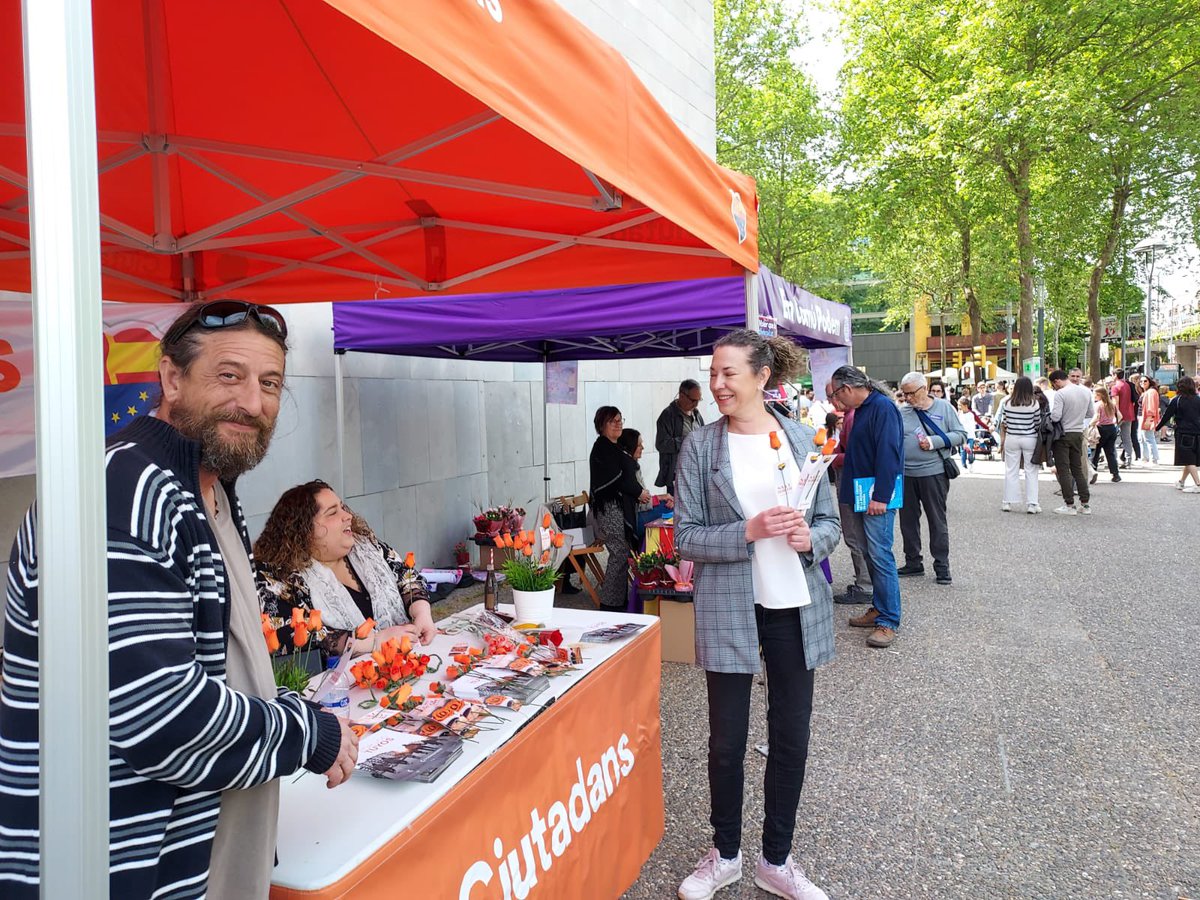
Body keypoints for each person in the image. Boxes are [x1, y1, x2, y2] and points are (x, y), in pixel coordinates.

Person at [0, 302, 355, 900]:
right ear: (170, 379)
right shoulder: (122, 491)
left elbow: (211, 665)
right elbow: (159, 717)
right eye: (228, 375)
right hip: (114, 871)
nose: (252, 401)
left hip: (188, 854)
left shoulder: (208, 490)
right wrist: (306, 734)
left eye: (269, 384)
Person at [675, 329, 839, 900]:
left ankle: (777, 858)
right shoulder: (701, 446)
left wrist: (806, 540)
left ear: (762, 376)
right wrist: (749, 530)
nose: (717, 384)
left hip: (794, 606)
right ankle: (724, 854)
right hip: (729, 607)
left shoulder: (800, 439)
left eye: (729, 374)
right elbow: (686, 538)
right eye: (714, 373)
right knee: (726, 742)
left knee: (791, 738)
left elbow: (830, 524)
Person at [254, 481, 437, 661]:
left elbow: (408, 577)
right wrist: (373, 642)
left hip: (407, 663)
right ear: (302, 530)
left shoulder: (366, 547)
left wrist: (422, 613)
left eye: (343, 507)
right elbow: (289, 635)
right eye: (333, 512)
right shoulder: (279, 578)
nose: (348, 515)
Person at [833, 366, 905, 648]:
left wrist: (882, 496)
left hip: (876, 496)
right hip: (862, 493)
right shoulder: (864, 408)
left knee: (880, 554)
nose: (837, 400)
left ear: (847, 389)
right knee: (869, 552)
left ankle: (888, 619)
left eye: (836, 393)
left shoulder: (882, 408)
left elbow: (890, 453)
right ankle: (879, 607)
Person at [895, 372, 966, 585]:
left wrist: (935, 441)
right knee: (907, 521)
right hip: (906, 474)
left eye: (911, 394)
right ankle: (913, 561)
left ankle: (942, 566)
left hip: (933, 473)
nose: (907, 398)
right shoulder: (902, 411)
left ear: (924, 389)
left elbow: (961, 435)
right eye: (904, 394)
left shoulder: (944, 407)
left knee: (937, 520)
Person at [591, 406, 649, 611]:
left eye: (619, 420)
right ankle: (610, 604)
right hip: (609, 510)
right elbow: (619, 480)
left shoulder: (614, 448)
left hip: (618, 509)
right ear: (601, 425)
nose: (618, 424)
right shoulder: (602, 449)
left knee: (622, 555)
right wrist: (638, 492)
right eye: (612, 421)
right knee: (619, 555)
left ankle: (616, 601)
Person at [827, 381, 874, 606]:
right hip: (855, 481)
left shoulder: (855, 416)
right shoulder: (853, 415)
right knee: (857, 535)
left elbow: (857, 454)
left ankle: (865, 585)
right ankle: (866, 581)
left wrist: (832, 458)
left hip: (854, 481)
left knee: (855, 534)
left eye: (833, 396)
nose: (832, 402)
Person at [1049, 369, 1094, 515]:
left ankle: (1069, 505)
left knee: (1063, 470)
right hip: (1078, 433)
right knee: (1078, 469)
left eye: (1054, 384)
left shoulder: (1060, 394)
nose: (1055, 387)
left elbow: (1055, 417)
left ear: (1056, 381)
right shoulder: (1086, 392)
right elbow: (1090, 413)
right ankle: (1085, 504)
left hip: (1063, 435)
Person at [998, 376, 1043, 513]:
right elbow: (1037, 423)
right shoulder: (1034, 404)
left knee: (1011, 470)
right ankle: (1032, 504)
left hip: (1012, 438)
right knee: (1031, 471)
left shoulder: (1008, 403)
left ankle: (1007, 502)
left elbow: (1004, 422)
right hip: (1030, 438)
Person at [618, 427, 673, 535]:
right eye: (639, 445)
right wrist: (661, 498)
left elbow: (643, 498)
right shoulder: (627, 468)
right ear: (630, 447)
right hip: (628, 520)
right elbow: (640, 503)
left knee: (671, 507)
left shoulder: (633, 465)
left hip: (634, 514)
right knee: (673, 512)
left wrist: (664, 498)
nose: (642, 448)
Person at [655, 379, 705, 496]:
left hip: (696, 474)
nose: (696, 404)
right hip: (677, 475)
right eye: (693, 400)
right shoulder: (668, 415)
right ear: (682, 396)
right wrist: (688, 440)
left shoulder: (696, 414)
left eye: (699, 400)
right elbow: (661, 444)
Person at [1156, 375, 1200, 492]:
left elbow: (1167, 416)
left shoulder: (1177, 400)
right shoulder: (1198, 399)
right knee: (1190, 458)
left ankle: (1198, 484)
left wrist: (1157, 427)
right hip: (1198, 432)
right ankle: (1181, 482)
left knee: (1189, 460)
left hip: (1183, 433)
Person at [1090, 387, 1122, 483]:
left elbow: (1096, 417)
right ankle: (1115, 474)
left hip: (1101, 429)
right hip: (1111, 428)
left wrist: (1090, 425)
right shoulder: (1112, 404)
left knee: (1095, 452)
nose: (1094, 396)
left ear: (1100, 395)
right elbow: (1120, 416)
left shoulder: (1098, 405)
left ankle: (1093, 473)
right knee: (1110, 452)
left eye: (1095, 394)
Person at [1111, 368, 1137, 467]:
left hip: (1119, 416)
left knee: (1111, 438)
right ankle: (1128, 460)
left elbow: (1115, 403)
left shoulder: (1115, 387)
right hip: (1129, 414)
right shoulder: (1127, 385)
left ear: (1115, 375)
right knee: (1127, 438)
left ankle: (1114, 460)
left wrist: (1115, 416)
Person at [1138, 376, 1161, 465]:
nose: (1142, 383)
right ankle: (1145, 458)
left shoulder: (1151, 392)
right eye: (1141, 381)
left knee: (1148, 438)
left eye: (1145, 381)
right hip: (1141, 417)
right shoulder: (1146, 392)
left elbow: (1151, 407)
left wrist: (1149, 419)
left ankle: (1154, 459)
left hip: (1146, 417)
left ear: (1149, 381)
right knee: (1142, 438)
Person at [956, 397, 977, 472]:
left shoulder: (970, 415)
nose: (958, 407)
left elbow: (971, 427)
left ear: (965, 406)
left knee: (970, 450)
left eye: (960, 405)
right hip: (962, 436)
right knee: (963, 451)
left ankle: (971, 462)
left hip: (970, 436)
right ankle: (963, 465)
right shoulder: (959, 414)